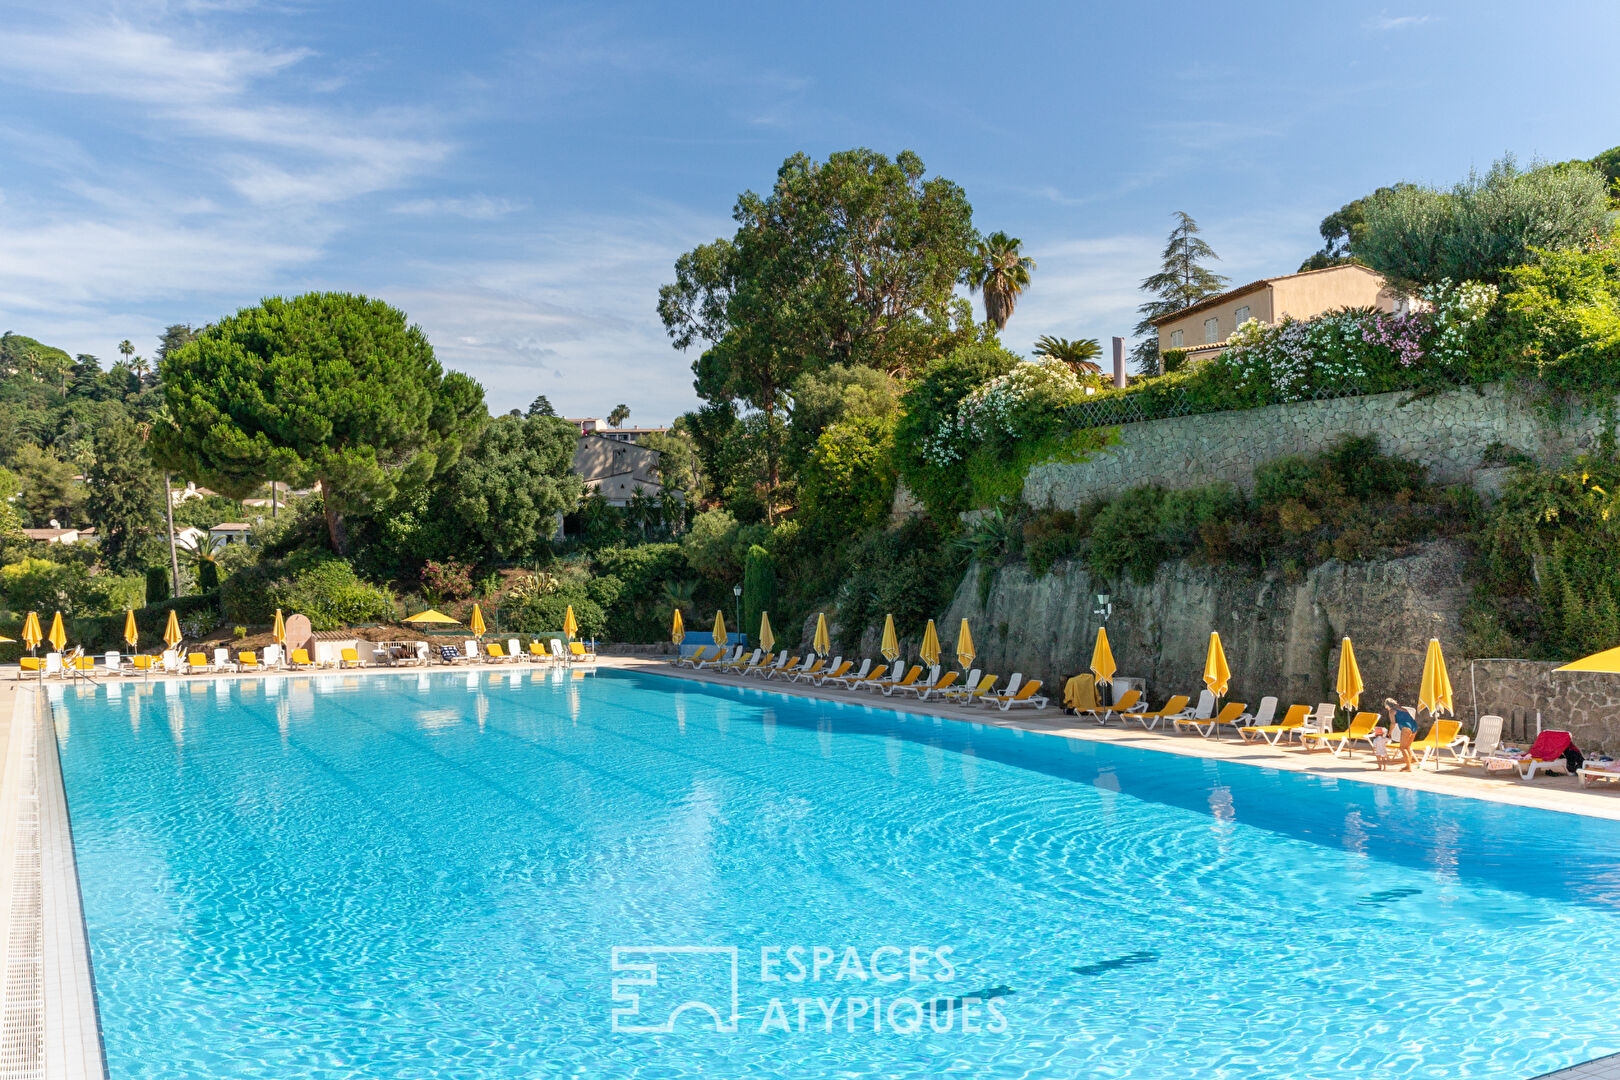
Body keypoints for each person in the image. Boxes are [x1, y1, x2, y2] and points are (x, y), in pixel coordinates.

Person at [1384, 698, 1418, 772]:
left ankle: (1409, 767)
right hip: (1414, 726)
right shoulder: (1402, 709)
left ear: (1387, 705)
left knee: (1402, 748)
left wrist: (1389, 733)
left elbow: (1393, 723)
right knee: (1407, 747)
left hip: (1406, 727)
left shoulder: (1392, 711)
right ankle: (1407, 766)